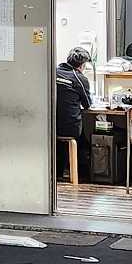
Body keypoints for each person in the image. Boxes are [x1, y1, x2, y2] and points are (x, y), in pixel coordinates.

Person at [55, 47, 93, 180]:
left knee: (61, 143)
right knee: (84, 142)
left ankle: (59, 172)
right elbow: (87, 104)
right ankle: (81, 175)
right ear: (82, 65)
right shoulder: (80, 79)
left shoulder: (53, 72)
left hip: (50, 125)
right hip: (70, 126)